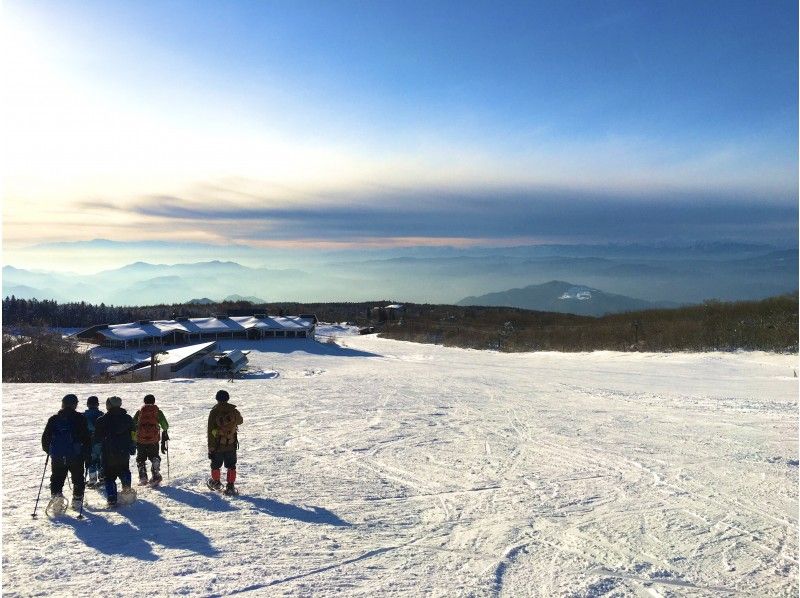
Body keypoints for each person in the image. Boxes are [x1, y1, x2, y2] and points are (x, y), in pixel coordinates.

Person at [41, 394, 91, 512]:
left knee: (57, 478)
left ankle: (57, 501)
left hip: (58, 456)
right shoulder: (80, 418)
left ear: (63, 404)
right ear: (75, 405)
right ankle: (77, 500)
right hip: (76, 455)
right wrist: (87, 454)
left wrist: (51, 452)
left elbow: (45, 439)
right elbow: (86, 438)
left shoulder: (54, 419)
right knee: (78, 478)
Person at [94, 396, 137, 507]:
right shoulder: (128, 418)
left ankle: (112, 498)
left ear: (109, 405)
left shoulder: (102, 419)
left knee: (109, 475)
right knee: (124, 469)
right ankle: (126, 487)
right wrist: (133, 445)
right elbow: (133, 433)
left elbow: (97, 438)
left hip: (108, 452)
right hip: (124, 450)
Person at [207, 389, 243, 495]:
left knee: (215, 465)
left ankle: (216, 482)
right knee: (231, 465)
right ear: (228, 399)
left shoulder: (214, 412)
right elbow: (240, 421)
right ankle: (230, 487)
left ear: (217, 399)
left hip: (218, 445)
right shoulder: (233, 411)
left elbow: (210, 430)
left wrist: (211, 447)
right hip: (231, 444)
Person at [133, 394, 169, 486]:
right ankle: (156, 474)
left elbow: (133, 424)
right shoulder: (157, 411)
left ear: (144, 402)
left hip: (140, 439)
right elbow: (165, 425)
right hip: (153, 440)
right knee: (154, 456)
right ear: (154, 401)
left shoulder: (140, 411)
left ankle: (143, 477)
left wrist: (134, 437)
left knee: (141, 458)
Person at [84, 396, 104, 487]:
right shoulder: (101, 414)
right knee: (100, 459)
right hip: (100, 441)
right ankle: (102, 477)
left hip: (89, 442)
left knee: (91, 460)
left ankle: (92, 479)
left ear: (88, 404)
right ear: (97, 404)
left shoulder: (84, 415)